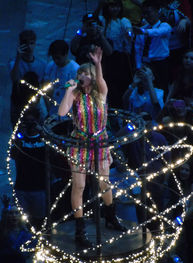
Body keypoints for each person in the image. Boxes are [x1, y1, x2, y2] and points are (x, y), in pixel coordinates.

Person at [58, 46, 126, 248]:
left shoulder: (101, 93)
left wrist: (97, 63)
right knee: (79, 185)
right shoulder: (76, 94)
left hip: (100, 142)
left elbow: (101, 81)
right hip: (80, 143)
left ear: (93, 76)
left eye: (86, 73)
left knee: (104, 183)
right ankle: (80, 230)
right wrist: (69, 89)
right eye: (80, 73)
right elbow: (62, 113)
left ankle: (111, 218)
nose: (82, 76)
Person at [11, 107, 48, 230]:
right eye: (26, 121)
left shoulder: (43, 139)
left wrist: (44, 134)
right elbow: (14, 155)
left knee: (39, 221)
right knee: (21, 222)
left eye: (32, 121)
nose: (30, 125)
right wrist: (18, 136)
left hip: (39, 188)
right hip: (22, 187)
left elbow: (53, 156)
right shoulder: (20, 140)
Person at [8, 29, 47, 126]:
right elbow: (14, 78)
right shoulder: (14, 63)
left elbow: (43, 84)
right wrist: (18, 57)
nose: (29, 47)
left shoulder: (41, 64)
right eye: (25, 43)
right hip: (18, 103)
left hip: (35, 103)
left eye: (31, 43)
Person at [134, 0, 172, 92]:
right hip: (146, 64)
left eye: (149, 12)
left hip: (161, 63)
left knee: (161, 89)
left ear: (157, 11)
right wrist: (138, 66)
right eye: (144, 13)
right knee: (144, 90)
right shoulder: (143, 29)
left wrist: (144, 32)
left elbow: (158, 32)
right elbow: (138, 49)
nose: (146, 16)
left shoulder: (165, 26)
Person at [45, 40, 80, 115]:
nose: (56, 61)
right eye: (54, 58)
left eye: (58, 58)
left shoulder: (75, 69)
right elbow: (47, 89)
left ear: (66, 54)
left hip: (69, 112)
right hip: (53, 111)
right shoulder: (50, 66)